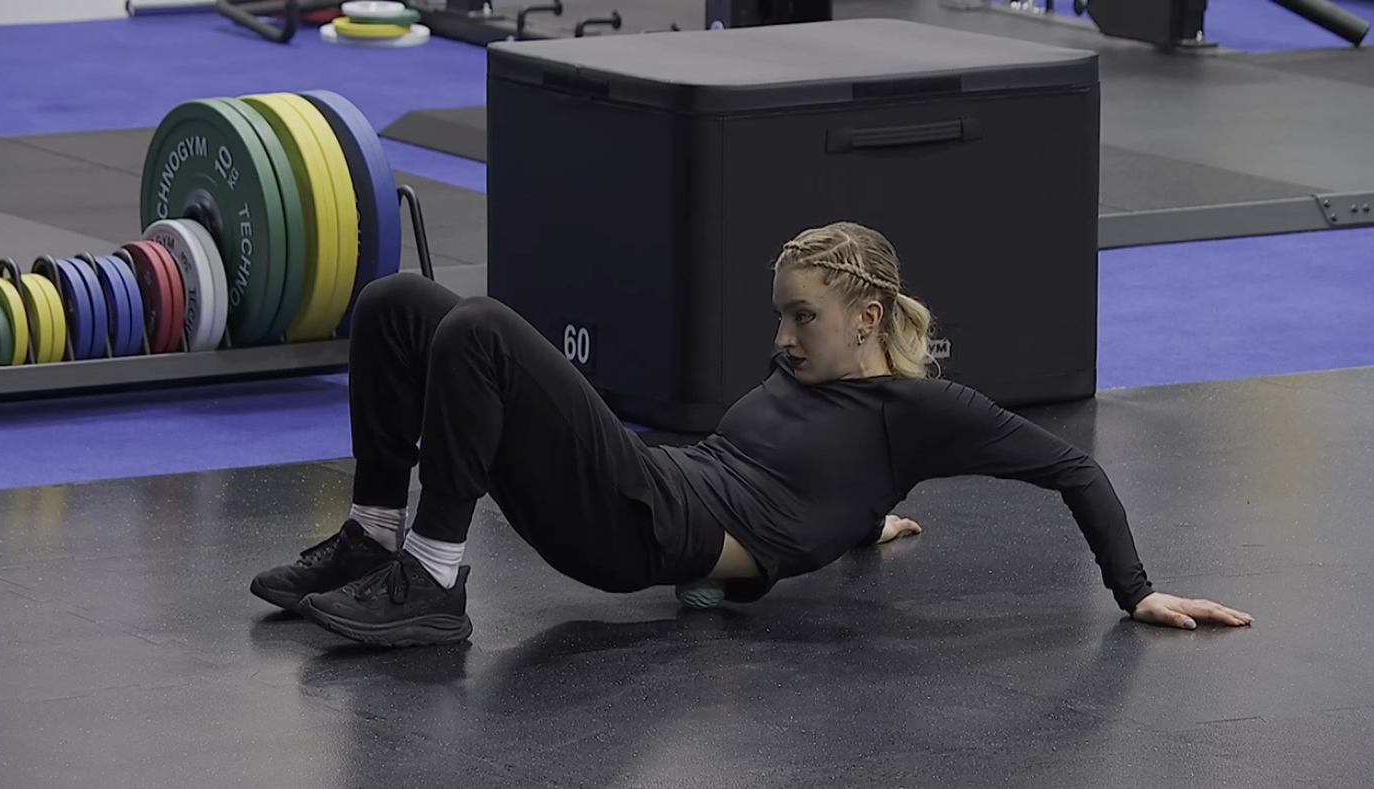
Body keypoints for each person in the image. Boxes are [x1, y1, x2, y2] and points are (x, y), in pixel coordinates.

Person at [250, 221, 1253, 647]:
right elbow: (822, 476)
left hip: (642, 528)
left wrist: (1135, 591)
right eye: (779, 315)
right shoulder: (822, 395)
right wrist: (859, 520)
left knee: (476, 326)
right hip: (647, 484)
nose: (779, 338)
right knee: (396, 302)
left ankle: (432, 584)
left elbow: (1072, 468)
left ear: (866, 316)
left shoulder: (920, 412)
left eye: (802, 317)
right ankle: (375, 537)